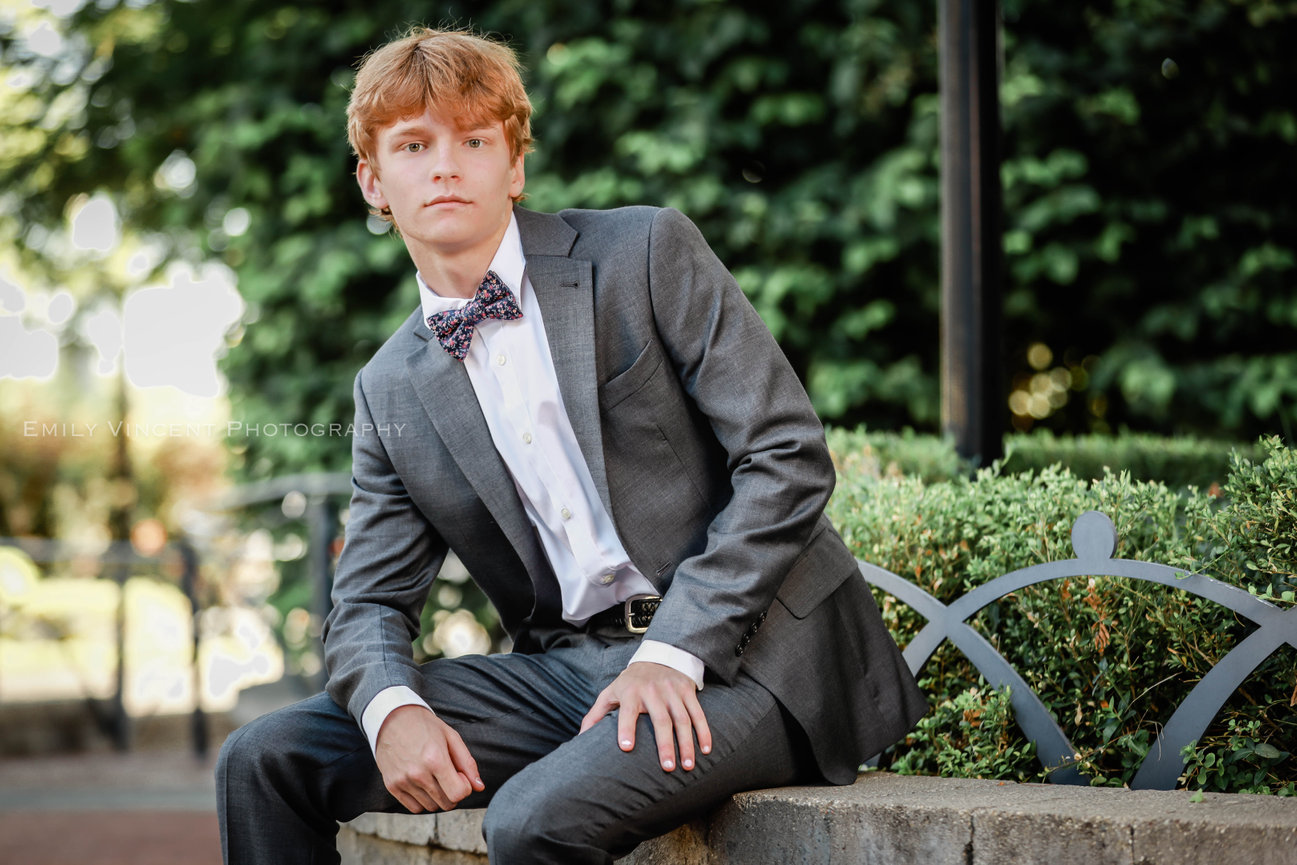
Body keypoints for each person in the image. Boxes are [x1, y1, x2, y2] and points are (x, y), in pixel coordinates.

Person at [216, 25, 927, 865]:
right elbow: (369, 602)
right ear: (374, 181)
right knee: (264, 759)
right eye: (413, 144)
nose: (445, 165)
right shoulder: (389, 386)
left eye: (474, 140)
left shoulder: (643, 253)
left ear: (512, 167)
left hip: (753, 656)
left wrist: (672, 651)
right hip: (569, 673)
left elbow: (786, 456)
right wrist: (390, 708)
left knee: (533, 818)